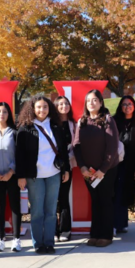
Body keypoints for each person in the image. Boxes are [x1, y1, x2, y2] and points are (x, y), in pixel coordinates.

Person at [17, 96, 70, 254]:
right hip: (34, 176)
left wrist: (66, 170)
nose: (42, 110)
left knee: (51, 211)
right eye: (39, 107)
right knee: (37, 211)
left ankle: (49, 243)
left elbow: (63, 151)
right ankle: (38, 244)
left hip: (54, 174)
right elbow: (19, 155)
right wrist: (21, 176)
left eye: (45, 107)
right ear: (32, 109)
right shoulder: (25, 128)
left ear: (49, 108)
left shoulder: (55, 126)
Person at [73, 90, 120, 247]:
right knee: (95, 201)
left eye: (94, 100)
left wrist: (103, 170)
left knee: (105, 201)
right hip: (89, 171)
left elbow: (112, 148)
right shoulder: (82, 121)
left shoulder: (108, 120)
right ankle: (95, 234)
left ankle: (106, 236)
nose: (91, 103)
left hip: (106, 170)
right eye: (88, 101)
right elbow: (76, 145)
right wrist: (82, 166)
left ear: (100, 102)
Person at [0, 102, 22, 253]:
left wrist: (11, 171)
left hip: (12, 175)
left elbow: (19, 154)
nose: (2, 114)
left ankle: (16, 239)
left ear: (9, 114)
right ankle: (0, 239)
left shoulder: (14, 132)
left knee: (15, 206)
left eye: (5, 112)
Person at [113, 95, 135, 235]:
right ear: (121, 107)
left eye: (130, 104)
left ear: (134, 106)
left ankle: (123, 223)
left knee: (127, 193)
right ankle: (115, 224)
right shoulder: (114, 121)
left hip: (131, 164)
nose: (127, 107)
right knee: (116, 193)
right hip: (116, 164)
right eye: (124, 104)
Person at [54, 96, 75, 241]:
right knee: (52, 199)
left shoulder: (74, 124)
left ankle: (65, 229)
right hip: (51, 166)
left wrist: (68, 157)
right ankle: (53, 230)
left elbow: (77, 144)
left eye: (66, 103)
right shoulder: (51, 124)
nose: (64, 106)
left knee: (63, 197)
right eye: (60, 104)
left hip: (68, 164)